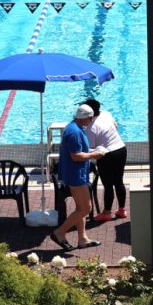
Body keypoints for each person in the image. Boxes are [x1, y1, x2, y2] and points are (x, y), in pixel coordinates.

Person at [50, 104, 105, 251]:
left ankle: (82, 239)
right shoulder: (74, 132)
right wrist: (95, 155)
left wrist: (94, 150)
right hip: (75, 176)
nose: (91, 121)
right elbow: (76, 156)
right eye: (90, 119)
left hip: (77, 173)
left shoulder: (75, 128)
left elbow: (80, 151)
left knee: (80, 208)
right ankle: (60, 232)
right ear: (86, 118)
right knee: (86, 208)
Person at [85, 99, 128, 222]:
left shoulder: (91, 127)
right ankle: (122, 210)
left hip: (107, 154)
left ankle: (107, 213)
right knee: (119, 181)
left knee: (108, 184)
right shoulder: (106, 113)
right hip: (121, 148)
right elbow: (116, 126)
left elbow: (92, 149)